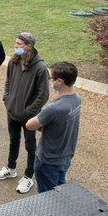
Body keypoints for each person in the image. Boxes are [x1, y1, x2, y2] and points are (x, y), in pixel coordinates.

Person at [0, 32, 49, 194]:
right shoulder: (14, 61)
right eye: (15, 43)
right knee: (13, 140)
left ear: (29, 46)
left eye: (19, 44)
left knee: (30, 146)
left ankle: (29, 176)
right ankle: (11, 168)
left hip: (29, 116)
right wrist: (7, 99)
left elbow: (43, 95)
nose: (16, 47)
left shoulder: (40, 68)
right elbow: (8, 81)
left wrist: (28, 111)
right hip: (12, 111)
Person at [26, 62, 81, 193]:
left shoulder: (53, 108)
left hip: (48, 161)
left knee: (48, 197)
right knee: (61, 189)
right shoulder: (77, 99)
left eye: (51, 78)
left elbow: (29, 125)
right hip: (65, 156)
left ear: (60, 81)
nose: (50, 81)